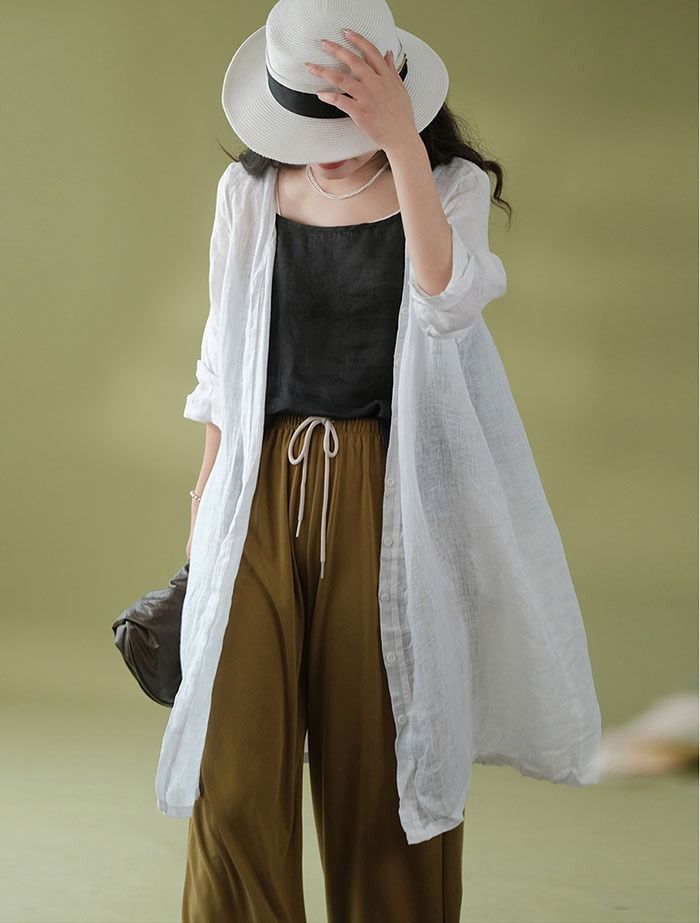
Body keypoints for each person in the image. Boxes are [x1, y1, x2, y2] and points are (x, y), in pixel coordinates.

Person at [155, 1, 603, 921]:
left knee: (383, 764)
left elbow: (446, 302)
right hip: (256, 488)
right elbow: (221, 363)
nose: (318, 149)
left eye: (342, 122)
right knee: (231, 771)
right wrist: (204, 496)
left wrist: (402, 146)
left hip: (385, 495)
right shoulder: (247, 194)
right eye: (303, 124)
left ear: (391, 101)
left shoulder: (447, 186)